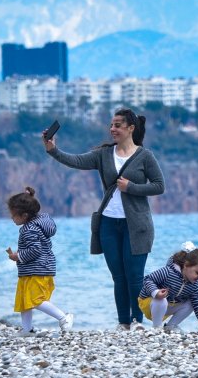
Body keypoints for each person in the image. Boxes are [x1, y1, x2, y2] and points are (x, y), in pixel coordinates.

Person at [43, 108, 165, 330]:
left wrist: (131, 187)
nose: (112, 129)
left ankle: (138, 321)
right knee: (119, 276)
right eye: (111, 125)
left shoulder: (145, 156)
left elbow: (159, 186)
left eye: (118, 125)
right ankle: (123, 322)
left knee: (135, 275)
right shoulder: (103, 154)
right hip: (108, 223)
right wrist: (53, 150)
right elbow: (76, 161)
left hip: (137, 226)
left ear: (131, 128)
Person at [7, 187, 74, 336]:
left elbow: (35, 250)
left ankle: (64, 317)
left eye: (13, 216)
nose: (11, 218)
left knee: (36, 300)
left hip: (37, 270)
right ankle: (27, 329)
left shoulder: (29, 229)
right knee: (24, 300)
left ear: (24, 215)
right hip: (33, 269)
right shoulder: (37, 223)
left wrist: (18, 256)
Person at [138, 241, 198, 332]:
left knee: (193, 302)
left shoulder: (193, 285)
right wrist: (156, 293)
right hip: (148, 303)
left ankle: (170, 327)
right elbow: (147, 279)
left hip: (167, 307)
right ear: (186, 265)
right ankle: (157, 328)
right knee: (161, 299)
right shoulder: (168, 272)